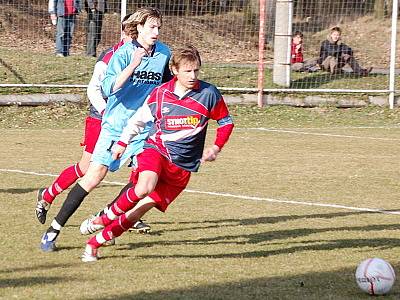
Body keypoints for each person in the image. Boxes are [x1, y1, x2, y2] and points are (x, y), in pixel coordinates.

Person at [79, 45, 235, 262]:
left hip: (182, 166)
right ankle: (103, 218)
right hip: (156, 150)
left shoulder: (208, 94)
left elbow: (226, 122)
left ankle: (94, 243)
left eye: (196, 71)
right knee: (144, 187)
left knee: (137, 213)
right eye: (187, 71)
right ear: (174, 70)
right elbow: (138, 120)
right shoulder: (161, 94)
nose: (193, 76)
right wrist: (122, 143)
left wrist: (216, 147)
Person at [39, 7, 172, 252]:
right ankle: (53, 231)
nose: (156, 32)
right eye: (151, 27)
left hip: (143, 129)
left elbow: (166, 87)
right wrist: (133, 64)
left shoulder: (164, 53)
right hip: (115, 127)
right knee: (93, 176)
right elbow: (110, 88)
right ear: (139, 28)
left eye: (158, 27)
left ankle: (106, 217)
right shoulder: (122, 54)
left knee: (146, 182)